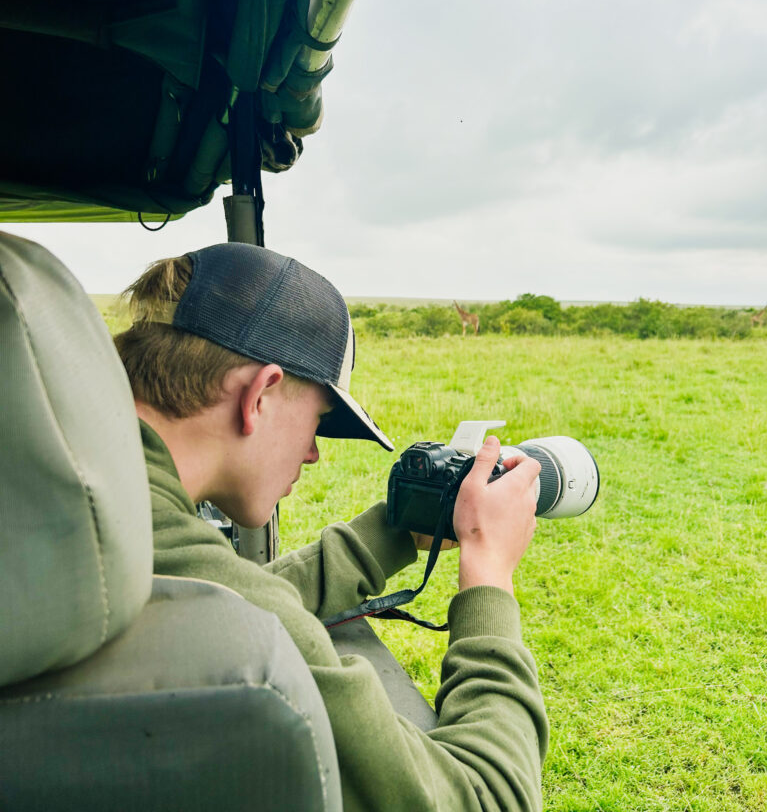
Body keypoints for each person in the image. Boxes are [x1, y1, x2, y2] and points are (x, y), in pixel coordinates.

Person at [114, 241, 548, 812]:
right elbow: (488, 798)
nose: (313, 452)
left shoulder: (109, 502)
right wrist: (488, 573)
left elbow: (226, 597)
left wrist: (396, 531)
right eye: (318, 419)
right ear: (260, 395)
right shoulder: (204, 601)